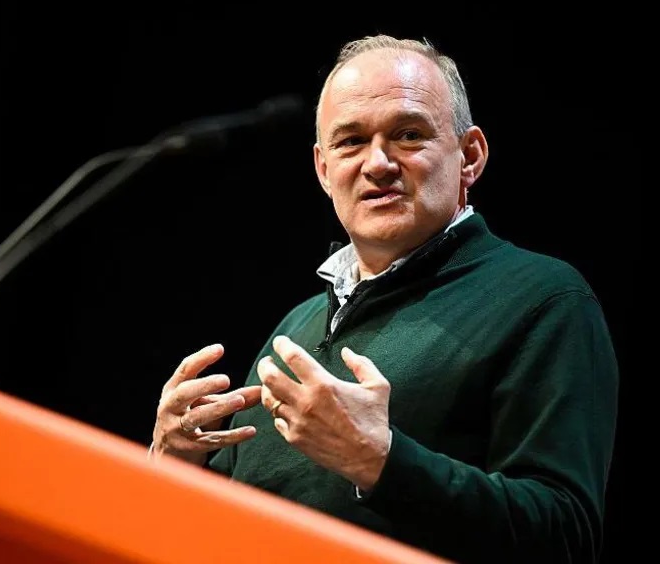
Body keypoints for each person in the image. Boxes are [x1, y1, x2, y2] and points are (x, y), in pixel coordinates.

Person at [149, 34, 619, 564]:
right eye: (350, 142)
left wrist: (380, 461)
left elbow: (565, 537)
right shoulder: (295, 330)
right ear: (324, 170)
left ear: (469, 156)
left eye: (408, 135)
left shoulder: (542, 299)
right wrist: (172, 467)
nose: (377, 163)